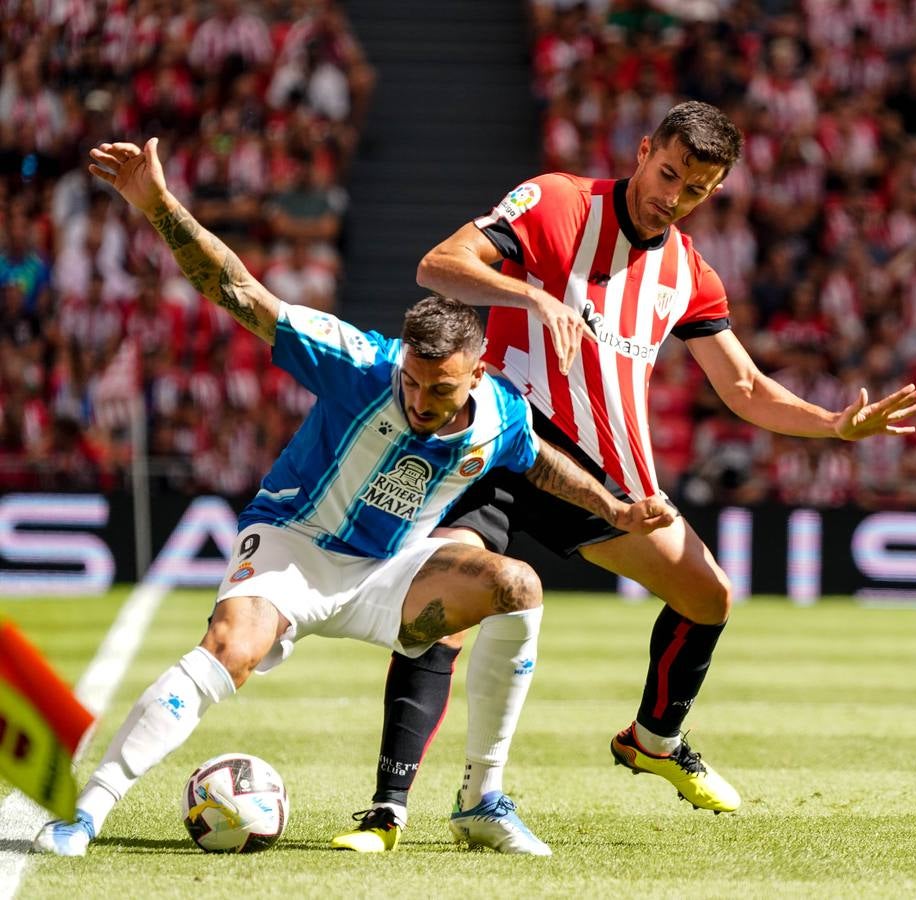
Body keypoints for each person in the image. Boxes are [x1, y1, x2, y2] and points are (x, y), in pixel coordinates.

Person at [32, 138, 675, 858]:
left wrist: (616, 511)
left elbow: (539, 464)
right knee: (229, 649)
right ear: (401, 358)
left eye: (442, 388)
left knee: (517, 584)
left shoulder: (500, 412)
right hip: (292, 548)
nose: (423, 400)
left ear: (477, 373)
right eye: (415, 380)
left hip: (387, 573)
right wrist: (158, 205)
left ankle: (482, 798)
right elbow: (239, 289)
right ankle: (85, 814)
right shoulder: (357, 364)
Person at [332, 101, 916, 853]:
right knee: (446, 613)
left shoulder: (688, 274)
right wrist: (533, 295)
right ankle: (387, 812)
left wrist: (837, 425)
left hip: (597, 478)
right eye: (668, 173)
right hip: (495, 446)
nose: (672, 197)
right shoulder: (555, 202)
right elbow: (438, 265)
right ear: (643, 152)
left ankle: (654, 738)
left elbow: (744, 388)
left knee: (708, 594)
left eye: (695, 190)